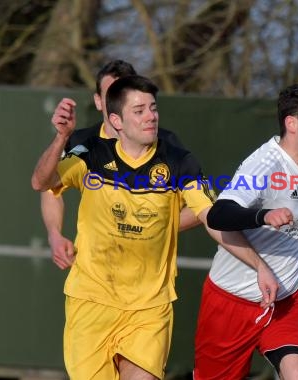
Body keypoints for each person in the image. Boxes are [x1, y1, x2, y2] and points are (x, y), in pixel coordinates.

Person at [31, 75, 258, 380]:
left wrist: (259, 265)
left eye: (153, 108)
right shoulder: (88, 153)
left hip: (150, 305)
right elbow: (42, 184)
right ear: (115, 117)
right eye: (139, 110)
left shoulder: (178, 159)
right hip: (91, 300)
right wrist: (60, 138)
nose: (151, 115)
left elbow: (210, 216)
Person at [193, 84, 298, 380]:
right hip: (230, 302)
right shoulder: (264, 165)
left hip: (287, 300)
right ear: (291, 124)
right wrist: (263, 215)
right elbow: (219, 214)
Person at [40, 59, 199, 269]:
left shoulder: (166, 144)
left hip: (148, 272)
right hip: (95, 272)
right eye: (111, 95)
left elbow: (200, 207)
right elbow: (50, 188)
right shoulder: (82, 143)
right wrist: (54, 235)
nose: (119, 101)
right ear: (98, 101)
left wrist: (148, 228)